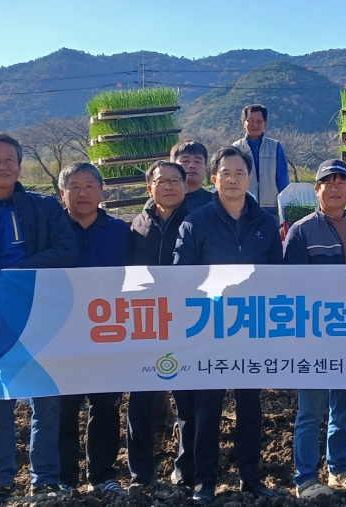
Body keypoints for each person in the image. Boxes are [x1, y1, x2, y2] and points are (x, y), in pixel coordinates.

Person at [0, 133, 77, 505]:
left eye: (10, 159)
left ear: (20, 165)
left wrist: (17, 273)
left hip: (43, 315)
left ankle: (45, 480)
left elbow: (66, 250)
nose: (3, 166)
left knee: (46, 401)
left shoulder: (45, 207)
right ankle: (0, 480)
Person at [174, 146, 282, 505]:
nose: (233, 179)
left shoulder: (266, 223)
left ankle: (251, 477)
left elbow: (278, 275)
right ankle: (205, 480)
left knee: (250, 407)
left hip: (251, 329)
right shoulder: (196, 222)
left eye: (240, 173)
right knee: (207, 408)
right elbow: (181, 277)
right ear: (214, 178)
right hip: (209, 330)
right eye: (226, 173)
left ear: (250, 179)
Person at [284, 159, 346, 498]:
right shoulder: (302, 231)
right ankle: (306, 478)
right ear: (317, 189)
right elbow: (292, 285)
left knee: (344, 405)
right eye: (328, 182)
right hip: (315, 333)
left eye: (341, 182)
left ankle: (339, 468)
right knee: (311, 409)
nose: (335, 188)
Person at [56, 162, 129, 496]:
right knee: (64, 406)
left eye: (89, 186)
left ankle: (102, 474)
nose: (82, 193)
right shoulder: (51, 230)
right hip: (62, 334)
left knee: (105, 405)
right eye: (74, 186)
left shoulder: (120, 231)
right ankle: (65, 477)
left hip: (108, 331)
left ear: (101, 192)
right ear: (62, 193)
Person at [125, 160, 188, 491]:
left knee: (187, 400)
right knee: (141, 401)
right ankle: (141, 473)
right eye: (161, 181)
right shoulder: (136, 226)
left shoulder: (196, 220)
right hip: (146, 323)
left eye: (175, 180)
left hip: (187, 322)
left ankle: (185, 469)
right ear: (149, 188)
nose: (168, 186)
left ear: (185, 185)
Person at [231, 104, 289, 213]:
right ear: (243, 123)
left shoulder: (275, 147)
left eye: (259, 121)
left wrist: (284, 205)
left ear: (265, 123)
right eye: (250, 121)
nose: (255, 124)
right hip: (244, 206)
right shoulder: (236, 148)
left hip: (272, 207)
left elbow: (283, 179)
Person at [170, 140, 213, 211]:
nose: (192, 165)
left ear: (205, 168)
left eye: (197, 161)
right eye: (185, 161)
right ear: (172, 167)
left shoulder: (216, 204)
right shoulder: (161, 202)